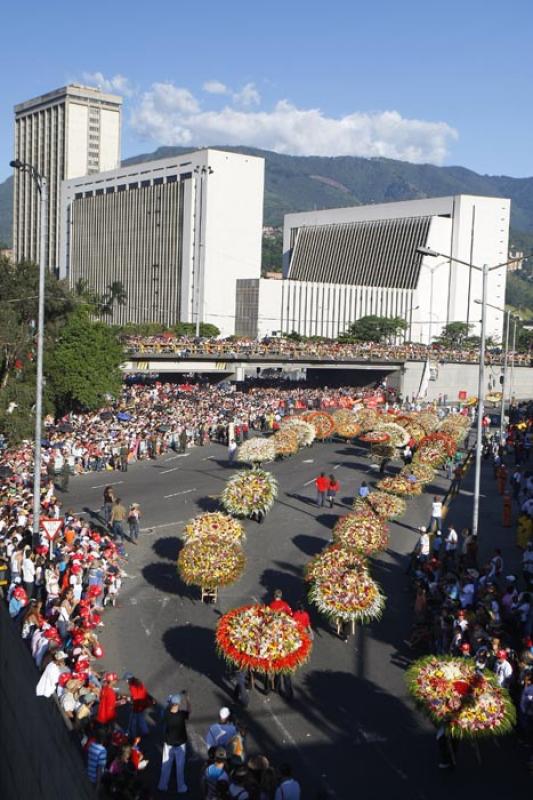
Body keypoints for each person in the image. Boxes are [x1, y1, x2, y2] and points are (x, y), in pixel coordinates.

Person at [158, 691, 191, 794]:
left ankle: (162, 785)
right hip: (180, 744)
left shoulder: (166, 714)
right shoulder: (181, 715)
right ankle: (181, 787)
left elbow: (166, 710)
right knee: (180, 766)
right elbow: (189, 711)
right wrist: (188, 699)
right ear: (179, 704)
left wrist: (169, 702)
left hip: (168, 743)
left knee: (165, 765)